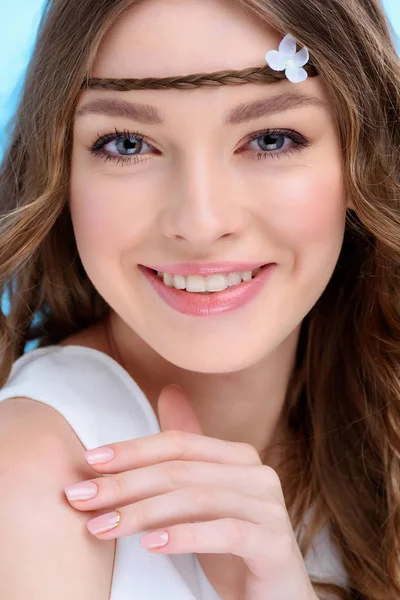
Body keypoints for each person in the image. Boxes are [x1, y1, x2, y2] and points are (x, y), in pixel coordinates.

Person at [0, 0, 399, 598]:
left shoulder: (383, 427)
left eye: (270, 138)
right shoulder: (31, 487)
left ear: (360, 156)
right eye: (128, 144)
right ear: (61, 168)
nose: (201, 221)